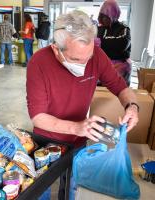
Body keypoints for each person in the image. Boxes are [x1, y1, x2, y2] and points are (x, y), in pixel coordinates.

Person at [26, 10, 139, 200]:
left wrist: (133, 106)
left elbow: (122, 88)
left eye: (89, 56)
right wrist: (77, 127)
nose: (86, 65)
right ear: (56, 49)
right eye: (77, 60)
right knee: (40, 190)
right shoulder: (39, 62)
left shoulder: (98, 56)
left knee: (74, 189)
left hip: (78, 140)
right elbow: (38, 116)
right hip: (45, 141)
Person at [97, 0, 132, 86]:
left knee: (118, 91)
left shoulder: (124, 29)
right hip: (102, 65)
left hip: (120, 66)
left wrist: (100, 42)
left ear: (114, 14)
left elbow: (121, 45)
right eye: (102, 16)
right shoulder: (100, 28)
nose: (104, 19)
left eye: (106, 16)